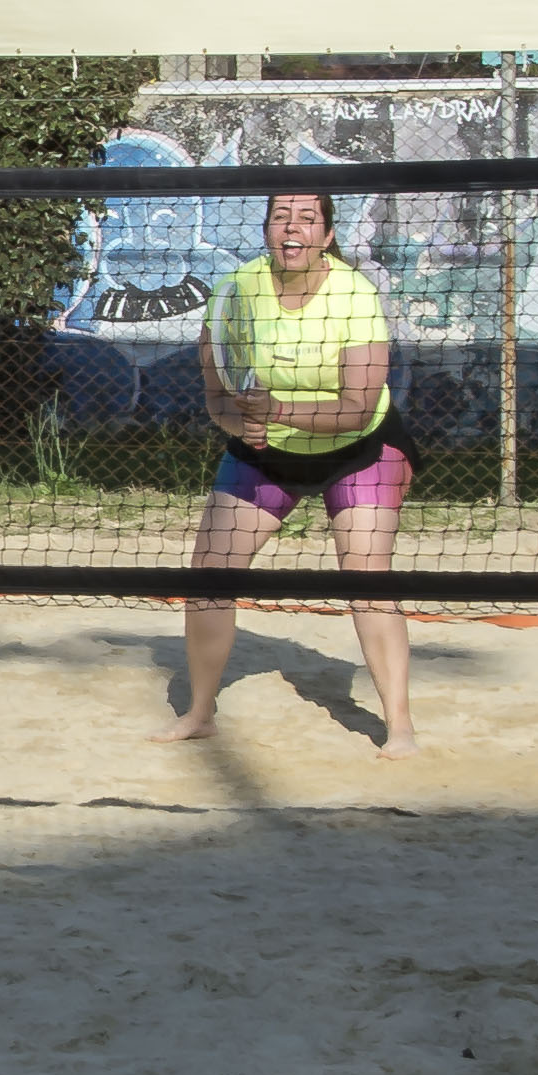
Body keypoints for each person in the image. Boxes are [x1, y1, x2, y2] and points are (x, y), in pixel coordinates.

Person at [157, 190, 418, 752]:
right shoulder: (236, 291)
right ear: (268, 231)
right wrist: (236, 425)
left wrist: (276, 412)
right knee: (209, 575)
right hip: (267, 452)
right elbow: (216, 393)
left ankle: (400, 728)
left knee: (367, 579)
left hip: (361, 447)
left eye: (307, 218)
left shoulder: (356, 294)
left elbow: (356, 404)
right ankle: (200, 713)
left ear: (325, 236)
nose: (292, 228)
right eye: (281, 217)